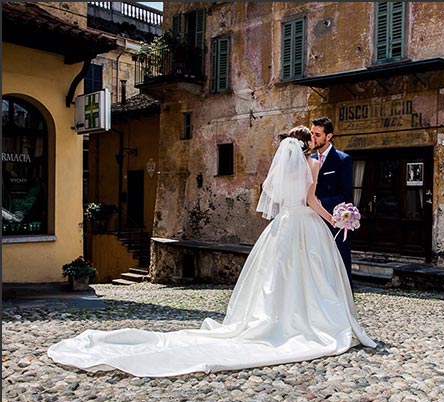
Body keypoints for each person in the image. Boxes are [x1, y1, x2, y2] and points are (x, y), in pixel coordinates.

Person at [47, 127, 376, 378]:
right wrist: (334, 218)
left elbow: (273, 197)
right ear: (308, 146)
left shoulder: (281, 171)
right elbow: (312, 202)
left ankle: (277, 318)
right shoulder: (312, 166)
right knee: (311, 275)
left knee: (276, 276)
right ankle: (308, 320)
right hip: (305, 225)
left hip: (282, 227)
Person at [310, 116, 354, 289]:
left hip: (334, 221)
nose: (313, 138)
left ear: (329, 136)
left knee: (339, 263)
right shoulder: (308, 159)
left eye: (317, 134)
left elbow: (345, 193)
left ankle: (343, 302)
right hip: (311, 221)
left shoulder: (343, 160)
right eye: (312, 133)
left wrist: (318, 202)